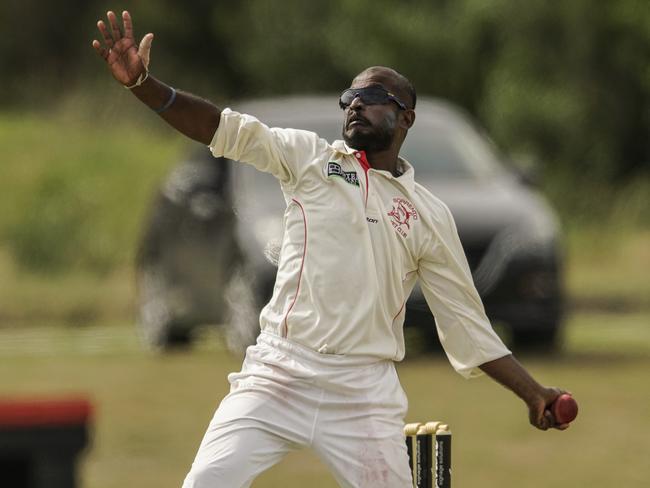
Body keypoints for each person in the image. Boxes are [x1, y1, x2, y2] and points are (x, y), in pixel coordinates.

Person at [93, 11, 571, 488]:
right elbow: (221, 128)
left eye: (373, 97)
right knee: (205, 483)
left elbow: (468, 324)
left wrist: (533, 394)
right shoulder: (311, 161)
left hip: (363, 393)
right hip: (280, 371)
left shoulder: (428, 214)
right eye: (351, 98)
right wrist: (143, 85)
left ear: (407, 117)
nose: (356, 106)